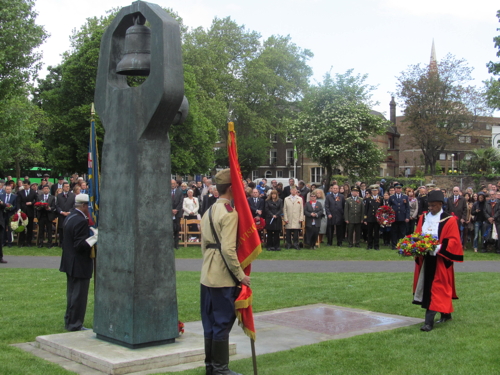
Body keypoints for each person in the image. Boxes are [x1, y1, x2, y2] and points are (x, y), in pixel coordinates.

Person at [200, 168, 250, 375]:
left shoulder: (209, 210)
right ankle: (220, 369)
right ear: (231, 188)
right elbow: (229, 249)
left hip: (207, 273)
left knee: (209, 321)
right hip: (223, 277)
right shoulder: (230, 213)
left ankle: (211, 366)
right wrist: (241, 276)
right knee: (222, 321)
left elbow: (204, 246)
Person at [412, 190, 463, 332]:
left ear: (441, 204)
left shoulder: (449, 219)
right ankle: (446, 314)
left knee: (437, 289)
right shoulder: (423, 218)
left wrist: (437, 247)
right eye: (429, 206)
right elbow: (418, 234)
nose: (431, 208)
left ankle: (428, 322)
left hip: (440, 258)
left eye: (434, 206)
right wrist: (415, 243)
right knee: (430, 287)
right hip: (426, 258)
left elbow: (454, 241)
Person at [59, 194, 98, 331]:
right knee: (79, 296)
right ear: (84, 206)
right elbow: (80, 245)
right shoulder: (81, 220)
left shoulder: (70, 216)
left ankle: (70, 320)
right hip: (79, 263)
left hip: (70, 262)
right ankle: (75, 324)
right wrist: (94, 238)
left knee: (72, 294)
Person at [388, 183, 410, 250]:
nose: (398, 189)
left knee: (402, 232)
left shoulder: (405, 197)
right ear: (395, 189)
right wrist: (389, 217)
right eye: (397, 188)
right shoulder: (391, 197)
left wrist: (407, 217)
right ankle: (394, 245)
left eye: (399, 188)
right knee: (394, 232)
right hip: (394, 217)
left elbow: (407, 208)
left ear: (401, 189)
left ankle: (401, 245)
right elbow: (388, 207)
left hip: (402, 217)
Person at [17, 180, 38, 247]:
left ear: (29, 185)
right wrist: (19, 210)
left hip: (30, 212)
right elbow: (18, 202)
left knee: (30, 227)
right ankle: (22, 242)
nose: (25, 186)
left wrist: (31, 203)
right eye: (24, 185)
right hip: (23, 212)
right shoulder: (20, 192)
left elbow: (37, 201)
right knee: (22, 227)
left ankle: (29, 242)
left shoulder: (33, 192)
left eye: (26, 185)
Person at [55, 182, 76, 247]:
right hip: (61, 215)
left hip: (70, 215)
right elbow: (57, 205)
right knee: (61, 229)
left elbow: (74, 205)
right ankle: (61, 243)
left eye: (68, 186)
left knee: (69, 229)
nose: (67, 188)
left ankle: (69, 243)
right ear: (63, 187)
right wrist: (61, 212)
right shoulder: (59, 196)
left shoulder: (73, 195)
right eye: (66, 186)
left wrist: (69, 212)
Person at [364, 185, 382, 250]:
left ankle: (376, 246)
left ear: (378, 191)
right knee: (370, 233)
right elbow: (366, 209)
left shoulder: (380, 199)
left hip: (377, 219)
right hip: (370, 218)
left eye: (376, 191)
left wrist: (381, 218)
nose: (374, 192)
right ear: (371, 192)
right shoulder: (368, 199)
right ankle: (369, 245)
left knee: (377, 233)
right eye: (373, 191)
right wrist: (365, 218)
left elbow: (382, 209)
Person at [171, 179, 183, 249]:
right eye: (171, 184)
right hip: (169, 213)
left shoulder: (179, 192)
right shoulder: (166, 192)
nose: (173, 185)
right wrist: (171, 210)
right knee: (170, 228)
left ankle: (176, 244)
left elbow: (181, 201)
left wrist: (176, 210)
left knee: (177, 229)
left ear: (176, 184)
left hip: (177, 213)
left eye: (174, 184)